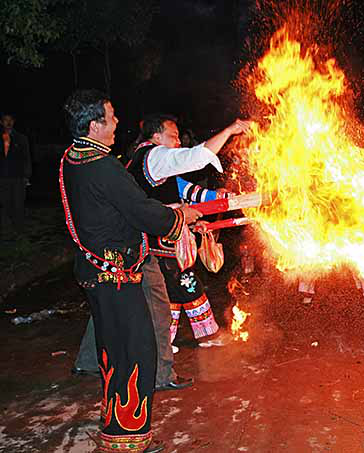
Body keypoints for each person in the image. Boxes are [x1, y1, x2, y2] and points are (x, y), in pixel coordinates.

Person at [61, 89, 202, 452]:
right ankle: (127, 439)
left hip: (95, 268)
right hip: (115, 274)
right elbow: (138, 210)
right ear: (95, 125)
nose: (117, 123)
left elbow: (114, 207)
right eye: (111, 117)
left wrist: (167, 211)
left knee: (115, 352)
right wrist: (178, 218)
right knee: (135, 353)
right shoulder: (103, 165)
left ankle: (117, 428)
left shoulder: (73, 157)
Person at [127, 114, 250, 350]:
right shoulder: (154, 155)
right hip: (159, 242)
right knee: (186, 283)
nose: (178, 142)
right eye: (173, 136)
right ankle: (206, 335)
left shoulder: (152, 161)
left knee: (171, 290)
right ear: (156, 137)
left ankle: (165, 341)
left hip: (160, 241)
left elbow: (185, 190)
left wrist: (218, 197)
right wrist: (229, 131)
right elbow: (195, 158)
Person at [0, 113, 31, 233]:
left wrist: (26, 176)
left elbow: (27, 158)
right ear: (1, 122)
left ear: (13, 122)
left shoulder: (21, 138)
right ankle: (6, 228)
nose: (8, 123)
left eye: (10, 120)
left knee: (19, 203)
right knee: (4, 202)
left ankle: (19, 228)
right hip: (2, 176)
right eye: (5, 120)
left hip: (18, 176)